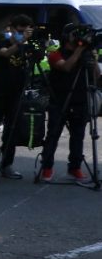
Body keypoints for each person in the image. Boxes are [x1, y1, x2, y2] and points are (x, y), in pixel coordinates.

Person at [39, 28, 99, 183]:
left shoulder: (85, 53)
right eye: (75, 34)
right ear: (66, 37)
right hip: (59, 100)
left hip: (80, 100)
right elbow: (66, 67)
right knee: (53, 134)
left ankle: (75, 167)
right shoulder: (55, 54)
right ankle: (46, 167)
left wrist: (93, 59)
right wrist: (79, 50)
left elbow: (96, 77)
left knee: (78, 136)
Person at [0, 15, 35, 179]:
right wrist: (20, 41)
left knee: (12, 131)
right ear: (11, 28)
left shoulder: (25, 45)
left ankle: (7, 164)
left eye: (26, 31)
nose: (23, 34)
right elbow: (5, 53)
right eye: (20, 30)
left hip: (16, 92)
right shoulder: (2, 40)